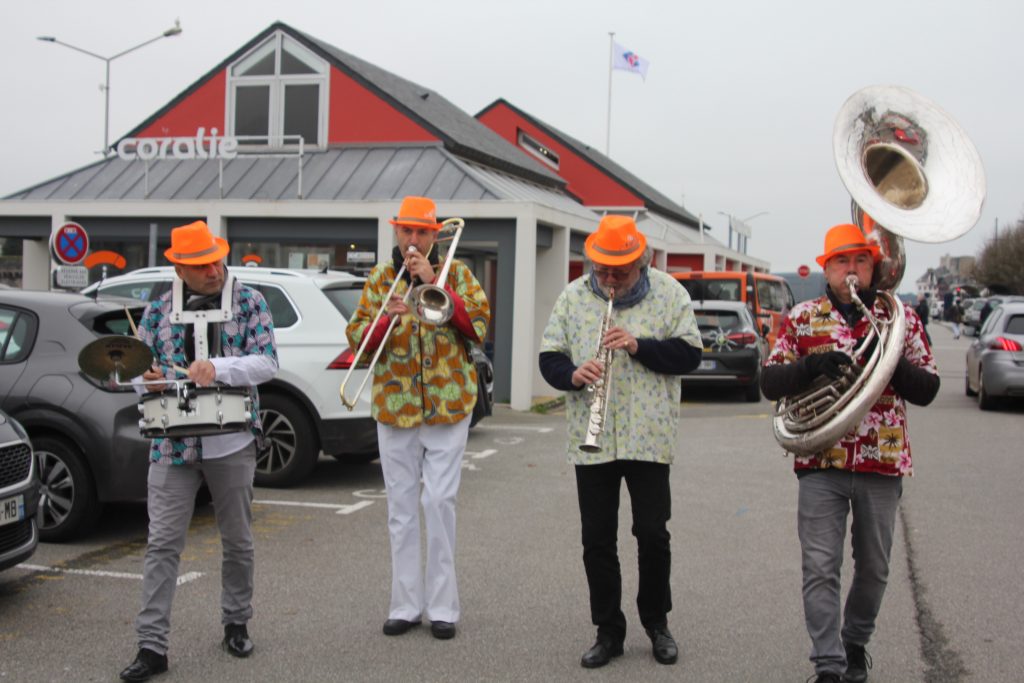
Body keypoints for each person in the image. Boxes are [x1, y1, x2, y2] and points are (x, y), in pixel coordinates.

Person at [760, 223, 939, 683]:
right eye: (842, 262)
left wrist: (888, 357)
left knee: (875, 568)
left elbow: (929, 388)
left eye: (861, 261)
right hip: (821, 459)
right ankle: (829, 665)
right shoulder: (802, 317)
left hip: (882, 460)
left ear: (874, 266)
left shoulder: (901, 319)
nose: (852, 270)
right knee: (820, 566)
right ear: (827, 268)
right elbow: (770, 382)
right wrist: (811, 366)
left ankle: (854, 641)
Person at [538, 215, 703, 669]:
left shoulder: (671, 294)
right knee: (597, 540)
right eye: (602, 271)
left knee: (652, 534)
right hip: (591, 439)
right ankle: (608, 629)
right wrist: (572, 375)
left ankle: (657, 622)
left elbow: (690, 354)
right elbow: (549, 355)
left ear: (641, 262)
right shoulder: (574, 296)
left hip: (649, 438)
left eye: (620, 273)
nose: (609, 281)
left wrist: (639, 346)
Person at [119, 221, 278, 682]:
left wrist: (219, 367)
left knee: (237, 539)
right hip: (172, 441)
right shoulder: (158, 306)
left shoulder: (249, 300)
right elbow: (135, 363)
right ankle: (152, 646)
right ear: (180, 268)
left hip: (231, 440)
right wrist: (142, 379)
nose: (213, 270)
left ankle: (236, 622)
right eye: (200, 265)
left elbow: (268, 362)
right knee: (163, 544)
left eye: (215, 259)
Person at [345, 196, 490, 641]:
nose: (413, 239)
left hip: (448, 405)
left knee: (439, 503)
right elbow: (357, 339)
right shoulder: (380, 278)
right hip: (395, 405)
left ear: (435, 234)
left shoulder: (458, 273)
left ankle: (444, 607)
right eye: (406, 231)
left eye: (421, 232)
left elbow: (479, 327)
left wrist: (435, 284)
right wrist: (380, 323)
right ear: (396, 232)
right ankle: (405, 605)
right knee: (401, 510)